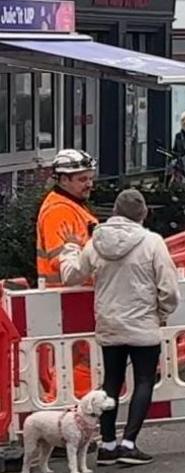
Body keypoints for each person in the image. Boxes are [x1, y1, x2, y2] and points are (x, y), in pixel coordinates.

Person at [59, 189, 180, 467]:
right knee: (144, 381)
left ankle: (108, 444)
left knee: (112, 381)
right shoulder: (152, 242)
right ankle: (129, 443)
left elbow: (73, 275)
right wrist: (162, 312)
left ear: (114, 211)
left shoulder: (95, 243)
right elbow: (168, 288)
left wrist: (67, 252)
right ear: (143, 213)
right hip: (143, 323)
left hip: (109, 323)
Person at [36, 148, 100, 401]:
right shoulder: (59, 211)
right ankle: (66, 414)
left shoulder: (71, 206)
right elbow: (61, 263)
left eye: (90, 178)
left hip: (75, 297)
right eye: (82, 179)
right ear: (63, 180)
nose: (89, 184)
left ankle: (69, 418)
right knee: (77, 362)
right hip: (67, 297)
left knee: (75, 361)